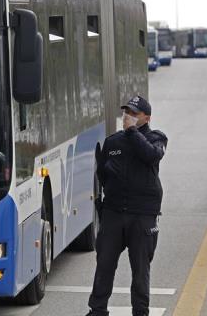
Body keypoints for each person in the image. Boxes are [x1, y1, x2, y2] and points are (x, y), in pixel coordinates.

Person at [85, 95, 168, 316]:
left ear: (146, 117)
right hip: (114, 214)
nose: (127, 117)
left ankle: (140, 312)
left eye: (133, 113)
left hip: (142, 216)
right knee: (104, 265)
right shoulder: (113, 142)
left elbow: (151, 156)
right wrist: (104, 207)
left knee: (140, 270)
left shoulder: (156, 138)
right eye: (126, 112)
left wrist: (132, 132)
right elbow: (102, 173)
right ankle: (97, 310)